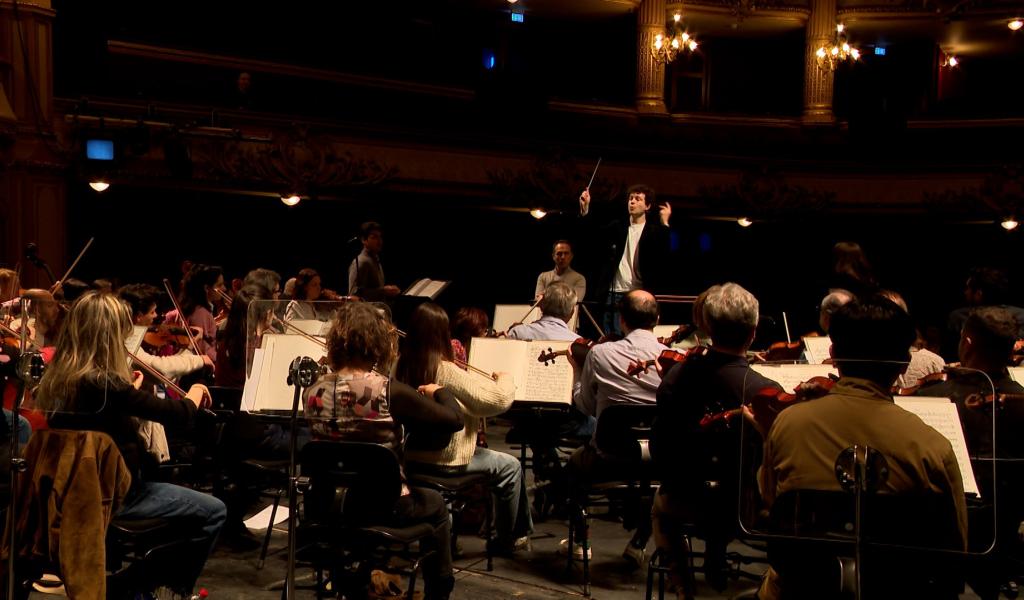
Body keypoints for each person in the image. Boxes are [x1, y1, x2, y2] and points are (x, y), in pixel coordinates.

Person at [750, 296, 967, 600]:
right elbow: (954, 551)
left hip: (802, 589)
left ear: (833, 353)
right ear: (904, 362)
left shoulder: (788, 424)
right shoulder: (933, 447)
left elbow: (773, 504)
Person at [35, 292, 226, 594]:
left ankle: (138, 584)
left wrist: (129, 391)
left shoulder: (58, 379)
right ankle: (132, 584)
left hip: (73, 495)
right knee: (214, 512)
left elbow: (101, 418)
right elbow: (179, 415)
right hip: (120, 495)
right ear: (109, 335)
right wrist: (198, 390)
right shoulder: (106, 385)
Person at [305, 302, 464, 600]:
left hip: (330, 505)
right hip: (383, 505)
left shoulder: (312, 389)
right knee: (438, 506)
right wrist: (440, 391)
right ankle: (440, 590)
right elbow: (454, 421)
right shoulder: (388, 390)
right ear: (375, 342)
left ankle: (350, 580)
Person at [652, 284, 781, 597]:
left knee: (660, 507)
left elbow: (660, 448)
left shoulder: (676, 376)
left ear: (707, 327)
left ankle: (684, 588)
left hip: (687, 500)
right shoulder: (765, 393)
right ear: (753, 333)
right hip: (746, 509)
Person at [396, 303, 532, 554]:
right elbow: (495, 401)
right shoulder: (445, 370)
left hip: (412, 458)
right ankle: (507, 540)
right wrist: (506, 378)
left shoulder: (399, 366)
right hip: (448, 460)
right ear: (441, 334)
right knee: (511, 467)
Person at [568, 289, 668, 566]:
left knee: (574, 467)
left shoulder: (599, 354)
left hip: (609, 459)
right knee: (657, 484)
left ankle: (581, 542)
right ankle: (639, 542)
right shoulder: (675, 358)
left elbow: (585, 407)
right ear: (657, 319)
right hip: (660, 461)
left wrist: (577, 371)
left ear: (621, 320)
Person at [579, 185, 672, 335]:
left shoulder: (653, 231)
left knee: (635, 334)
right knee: (611, 336)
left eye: (638, 199)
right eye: (631, 199)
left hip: (639, 293)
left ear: (647, 206)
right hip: (614, 292)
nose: (632, 202)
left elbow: (664, 254)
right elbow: (593, 236)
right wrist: (586, 209)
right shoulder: (618, 227)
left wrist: (665, 223)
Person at [118, 283, 213, 380]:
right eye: (152, 312)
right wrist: (199, 360)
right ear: (138, 316)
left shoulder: (127, 334)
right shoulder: (125, 340)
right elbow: (161, 370)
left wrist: (189, 348)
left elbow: (169, 374)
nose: (155, 315)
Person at [946, 267, 1024, 359]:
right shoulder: (1022, 314)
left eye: (968, 288)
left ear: (979, 294)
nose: (965, 292)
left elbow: (950, 354)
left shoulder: (958, 317)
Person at [165, 264, 224, 362]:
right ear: (206, 288)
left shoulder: (196, 307)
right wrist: (223, 361)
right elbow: (202, 349)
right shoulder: (200, 313)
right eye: (219, 285)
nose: (224, 289)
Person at [508, 282, 579, 342]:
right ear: (572, 312)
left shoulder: (518, 332)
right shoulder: (578, 342)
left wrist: (512, 332)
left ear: (541, 306)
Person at [348, 221, 401, 302]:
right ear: (363, 240)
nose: (379, 241)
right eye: (374, 237)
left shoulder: (375, 259)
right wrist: (384, 291)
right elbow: (354, 294)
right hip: (365, 313)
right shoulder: (362, 262)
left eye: (380, 237)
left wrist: (386, 291)